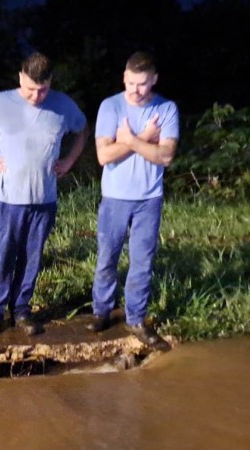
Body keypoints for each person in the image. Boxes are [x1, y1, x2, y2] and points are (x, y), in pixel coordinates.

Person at [0, 52, 89, 336]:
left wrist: (68, 161)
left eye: (42, 89)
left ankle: (21, 311)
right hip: (7, 201)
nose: (36, 95)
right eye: (30, 88)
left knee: (31, 257)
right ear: (20, 78)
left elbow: (82, 130)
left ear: (50, 82)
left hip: (44, 201)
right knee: (1, 257)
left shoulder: (63, 106)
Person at [86, 51, 179, 346]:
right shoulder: (110, 106)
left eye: (142, 84)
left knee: (142, 262)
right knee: (107, 258)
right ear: (124, 78)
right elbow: (104, 156)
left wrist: (128, 139)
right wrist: (146, 138)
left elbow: (165, 156)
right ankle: (101, 311)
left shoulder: (166, 108)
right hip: (115, 197)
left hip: (149, 199)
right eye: (130, 83)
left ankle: (135, 319)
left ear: (153, 80)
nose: (136, 91)